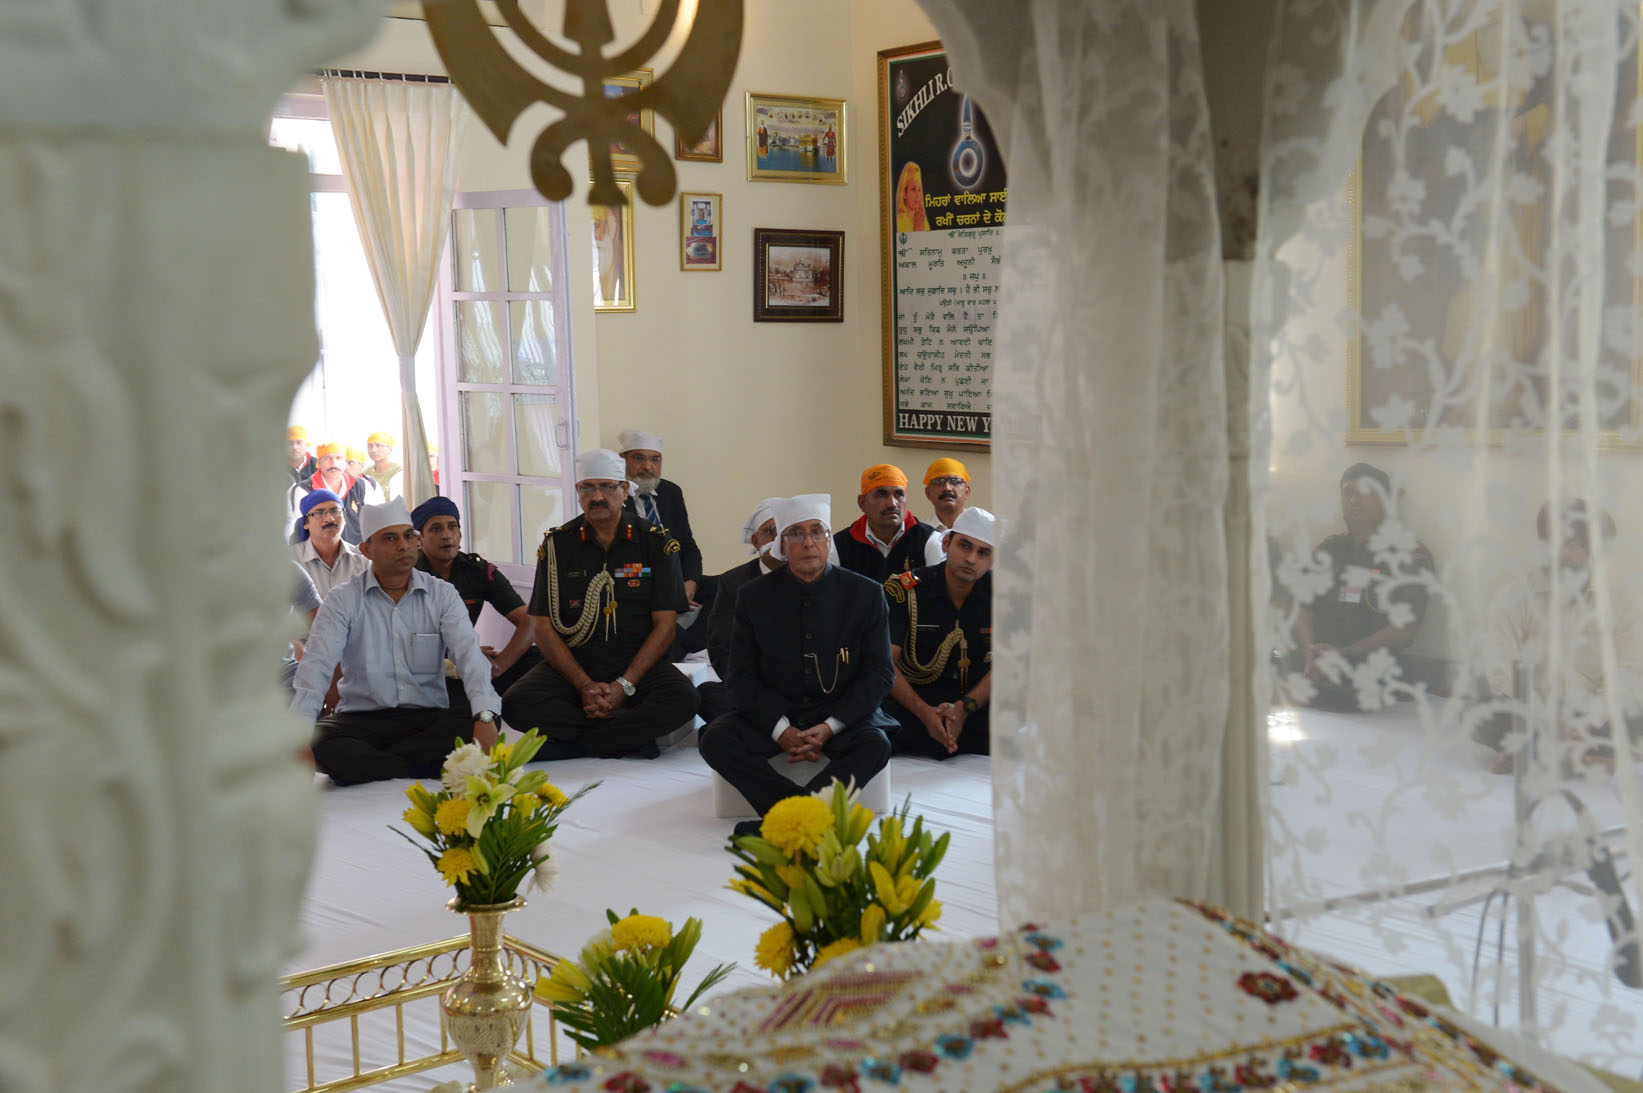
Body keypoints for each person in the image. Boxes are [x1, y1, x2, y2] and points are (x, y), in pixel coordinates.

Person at [698, 495, 894, 833]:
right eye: (796, 534)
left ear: (829, 540)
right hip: (774, 713)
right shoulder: (753, 595)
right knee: (715, 740)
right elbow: (740, 675)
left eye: (817, 532)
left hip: (837, 714)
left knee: (876, 744)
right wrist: (780, 729)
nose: (808, 543)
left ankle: (786, 821)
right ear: (781, 546)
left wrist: (831, 726)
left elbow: (879, 675)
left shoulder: (865, 593)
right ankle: (801, 815)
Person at [501, 449, 698, 758]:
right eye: (587, 488)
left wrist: (623, 686)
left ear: (624, 491)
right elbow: (542, 626)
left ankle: (573, 745)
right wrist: (584, 685)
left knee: (684, 700)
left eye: (607, 487)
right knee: (515, 705)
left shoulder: (655, 543)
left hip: (636, 663)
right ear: (578, 494)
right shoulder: (558, 546)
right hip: (575, 662)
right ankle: (625, 737)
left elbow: (665, 626)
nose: (597, 496)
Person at [292, 498, 503, 786]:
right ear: (366, 550)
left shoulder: (442, 595)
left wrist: (486, 715)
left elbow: (469, 656)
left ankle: (378, 766)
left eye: (409, 536)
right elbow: (316, 666)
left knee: (484, 720)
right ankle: (426, 767)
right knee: (322, 741)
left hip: (428, 718)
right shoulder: (342, 600)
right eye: (390, 538)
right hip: (362, 721)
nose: (403, 546)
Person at [1481, 499, 1640, 773]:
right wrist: (1548, 722)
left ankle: (1539, 755)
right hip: (1536, 712)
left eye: (1573, 544)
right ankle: (1588, 759)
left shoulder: (1624, 602)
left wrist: (1586, 722)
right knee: (1478, 709)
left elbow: (1629, 673)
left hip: (1596, 717)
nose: (1561, 552)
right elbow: (1504, 671)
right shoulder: (1512, 598)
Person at [1290, 463, 1436, 710]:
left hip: (1372, 673)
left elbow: (1405, 628)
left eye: (1365, 492)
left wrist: (1343, 654)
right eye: (1347, 493)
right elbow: (1302, 605)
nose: (1354, 500)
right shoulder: (1330, 549)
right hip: (1315, 668)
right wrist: (1309, 653)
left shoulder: (1410, 555)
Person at [883, 507, 996, 758]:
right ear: (946, 543)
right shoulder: (905, 591)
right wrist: (925, 713)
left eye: (983, 552)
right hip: (913, 711)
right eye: (964, 546)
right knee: (874, 726)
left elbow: (1008, 665)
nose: (971, 559)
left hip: (976, 710)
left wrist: (963, 710)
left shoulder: (1004, 598)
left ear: (992, 561)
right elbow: (886, 664)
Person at [412, 495, 542, 698]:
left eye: (452, 527)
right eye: (436, 529)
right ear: (419, 539)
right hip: (424, 669)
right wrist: (460, 656)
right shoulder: (407, 576)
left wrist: (498, 666)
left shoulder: (477, 571)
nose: (447, 535)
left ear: (460, 534)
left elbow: (529, 620)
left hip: (468, 663)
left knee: (540, 658)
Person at [697, 497, 786, 723]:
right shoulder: (733, 582)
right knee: (707, 695)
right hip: (752, 685)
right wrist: (752, 689)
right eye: (770, 532)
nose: (777, 540)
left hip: (802, 686)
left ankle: (766, 728)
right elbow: (721, 647)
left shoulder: (808, 577)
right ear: (756, 541)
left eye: (786, 532)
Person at [618, 428, 704, 604]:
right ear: (623, 460)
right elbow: (617, 562)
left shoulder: (671, 492)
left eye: (655, 460)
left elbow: (688, 546)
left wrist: (690, 582)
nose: (648, 467)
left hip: (675, 579)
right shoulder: (614, 494)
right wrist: (666, 586)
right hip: (631, 579)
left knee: (727, 589)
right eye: (639, 458)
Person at [834, 463, 944, 582]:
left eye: (899, 495)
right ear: (862, 503)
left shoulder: (930, 540)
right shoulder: (839, 545)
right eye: (881, 494)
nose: (892, 503)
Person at [290, 488, 370, 599]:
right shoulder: (291, 560)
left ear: (344, 518)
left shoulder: (362, 561)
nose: (329, 518)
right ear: (305, 523)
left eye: (335, 511)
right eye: (319, 513)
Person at [287, 441, 372, 545]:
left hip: (358, 555)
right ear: (318, 463)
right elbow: (297, 530)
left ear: (346, 463)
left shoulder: (362, 486)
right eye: (327, 458)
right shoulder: (304, 490)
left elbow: (375, 522)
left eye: (338, 458)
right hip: (318, 555)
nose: (333, 464)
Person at [922, 457, 971, 534]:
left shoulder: (983, 528)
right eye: (939, 482)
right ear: (928, 493)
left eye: (954, 481)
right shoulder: (919, 532)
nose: (947, 488)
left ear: (967, 491)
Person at [363, 431, 402, 502]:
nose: (373, 450)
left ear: (390, 449)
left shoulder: (399, 472)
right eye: (370, 446)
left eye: (378, 445)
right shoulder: (365, 474)